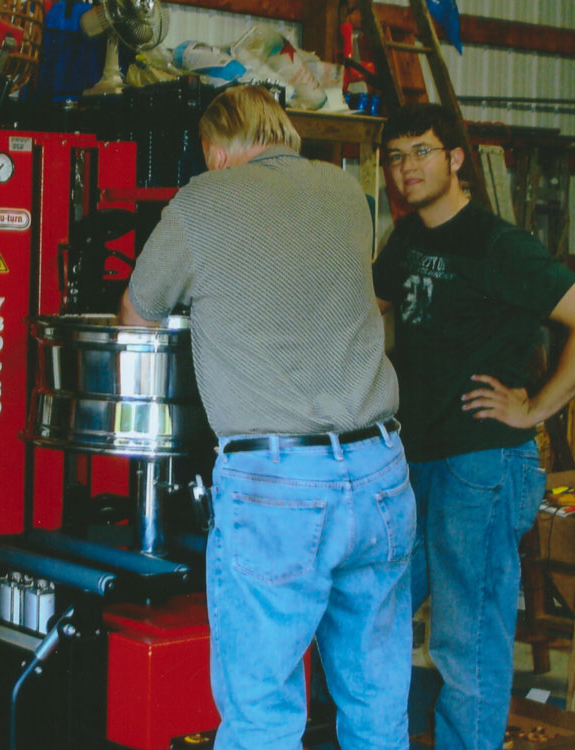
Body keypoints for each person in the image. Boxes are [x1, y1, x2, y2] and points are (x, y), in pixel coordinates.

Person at [118, 85, 416, 750]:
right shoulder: (348, 194)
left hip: (279, 485)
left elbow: (136, 314)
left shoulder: (203, 200)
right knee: (375, 698)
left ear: (218, 154)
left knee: (264, 713)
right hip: (379, 473)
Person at [372, 103, 575, 750]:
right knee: (377, 610)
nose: (407, 168)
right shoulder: (407, 239)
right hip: (414, 455)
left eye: (422, 151)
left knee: (467, 637)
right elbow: (373, 312)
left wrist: (535, 408)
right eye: (396, 156)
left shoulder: (498, 245)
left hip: (480, 464)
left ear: (457, 159)